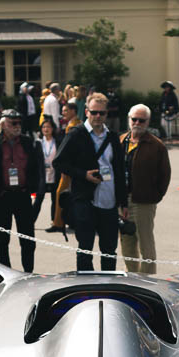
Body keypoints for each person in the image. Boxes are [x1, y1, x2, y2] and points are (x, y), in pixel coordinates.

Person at [54, 91, 122, 272]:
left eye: (102, 113)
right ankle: (87, 288)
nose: (98, 116)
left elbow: (120, 171)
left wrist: (123, 203)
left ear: (107, 114)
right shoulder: (76, 134)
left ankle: (109, 286)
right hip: (85, 199)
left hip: (109, 201)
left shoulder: (113, 137)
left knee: (109, 251)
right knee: (85, 249)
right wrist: (83, 174)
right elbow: (59, 162)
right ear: (86, 112)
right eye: (94, 112)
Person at [0, 109, 44, 271]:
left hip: (22, 196)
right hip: (2, 197)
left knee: (28, 239)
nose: (17, 126)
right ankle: (6, 273)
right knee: (2, 240)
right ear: (3, 125)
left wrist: (32, 188)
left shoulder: (28, 142)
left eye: (19, 122)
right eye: (13, 123)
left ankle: (28, 272)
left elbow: (36, 167)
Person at [118, 103, 170, 275]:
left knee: (145, 244)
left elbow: (165, 176)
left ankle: (147, 281)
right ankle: (131, 277)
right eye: (134, 119)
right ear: (129, 119)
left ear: (148, 122)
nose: (137, 123)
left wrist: (154, 196)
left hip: (144, 202)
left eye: (142, 120)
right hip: (121, 200)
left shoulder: (156, 146)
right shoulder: (121, 141)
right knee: (126, 243)